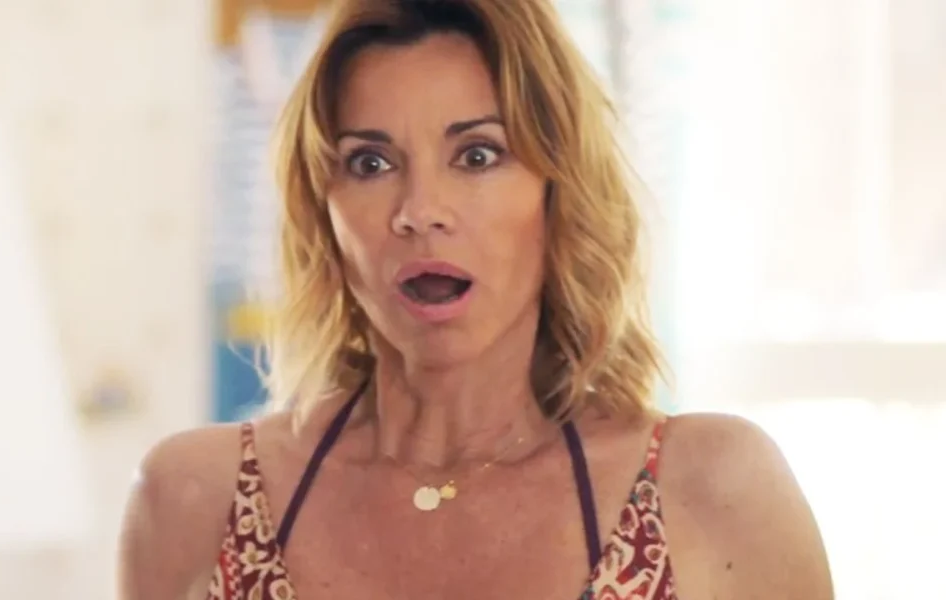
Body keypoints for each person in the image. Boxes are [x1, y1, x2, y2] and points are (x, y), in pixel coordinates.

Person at [118, 1, 834, 598]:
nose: (420, 211)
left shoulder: (710, 492)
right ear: (324, 213)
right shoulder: (194, 500)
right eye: (371, 162)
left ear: (559, 191)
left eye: (478, 155)